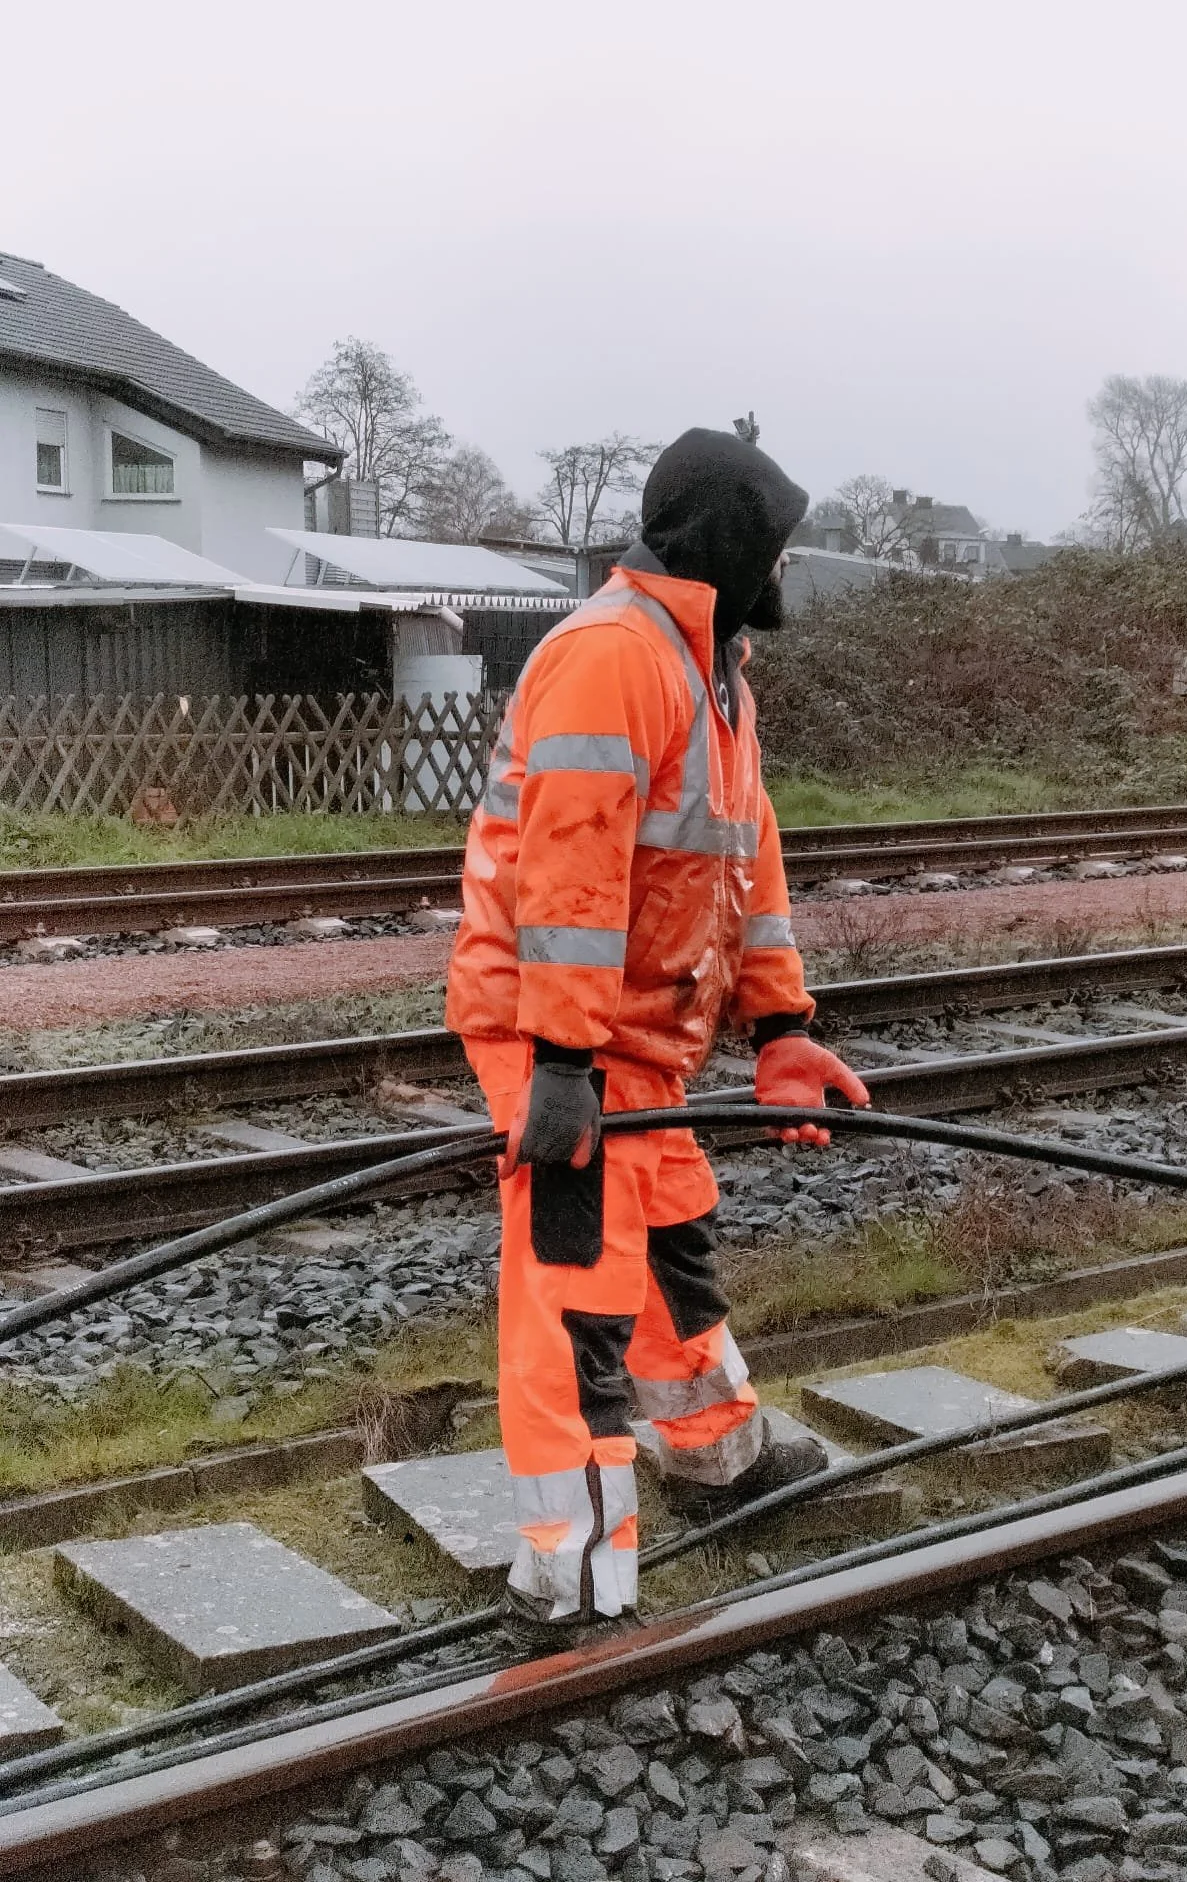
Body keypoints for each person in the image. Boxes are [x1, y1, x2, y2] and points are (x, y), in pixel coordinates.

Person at [446, 427, 870, 1636]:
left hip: (636, 1039)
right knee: (577, 1285)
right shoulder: (613, 657)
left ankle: (717, 1450)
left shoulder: (714, 670)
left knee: (669, 1229)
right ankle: (573, 1568)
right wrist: (562, 1063)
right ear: (728, 540)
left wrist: (781, 1024)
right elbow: (567, 880)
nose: (783, 566)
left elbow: (747, 862)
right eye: (775, 543)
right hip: (557, 1031)